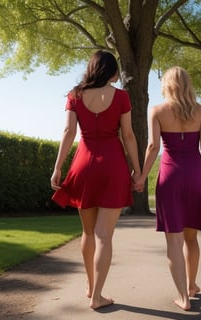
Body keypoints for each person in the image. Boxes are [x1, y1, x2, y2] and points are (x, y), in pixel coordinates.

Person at [50, 50, 141, 310]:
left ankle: (91, 286)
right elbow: (129, 136)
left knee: (88, 232)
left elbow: (68, 132)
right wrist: (137, 170)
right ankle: (97, 295)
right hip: (113, 166)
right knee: (104, 236)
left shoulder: (75, 95)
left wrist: (58, 168)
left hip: (83, 165)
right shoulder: (121, 96)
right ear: (111, 71)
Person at [134, 66, 201, 311]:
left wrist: (141, 176)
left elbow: (153, 146)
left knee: (174, 240)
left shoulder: (158, 111)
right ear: (188, 84)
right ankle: (192, 284)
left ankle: (183, 297)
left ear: (167, 85)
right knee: (191, 238)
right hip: (197, 176)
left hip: (170, 176)